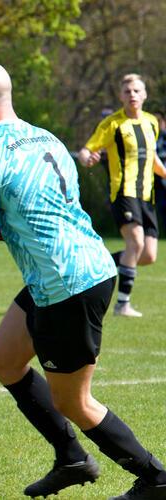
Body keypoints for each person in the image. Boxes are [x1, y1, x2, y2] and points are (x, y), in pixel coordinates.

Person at [0, 61, 166, 500]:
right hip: (81, 267)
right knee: (4, 360)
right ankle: (71, 459)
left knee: (74, 402)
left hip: (67, 284)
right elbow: (45, 212)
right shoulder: (46, 137)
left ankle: (156, 478)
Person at [77, 74, 165, 318]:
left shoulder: (151, 123)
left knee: (147, 255)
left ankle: (95, 265)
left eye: (137, 90)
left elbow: (152, 158)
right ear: (120, 96)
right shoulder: (112, 124)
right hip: (123, 192)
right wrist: (88, 159)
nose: (132, 95)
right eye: (127, 91)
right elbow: (86, 151)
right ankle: (122, 305)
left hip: (147, 196)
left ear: (145, 94)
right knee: (135, 243)